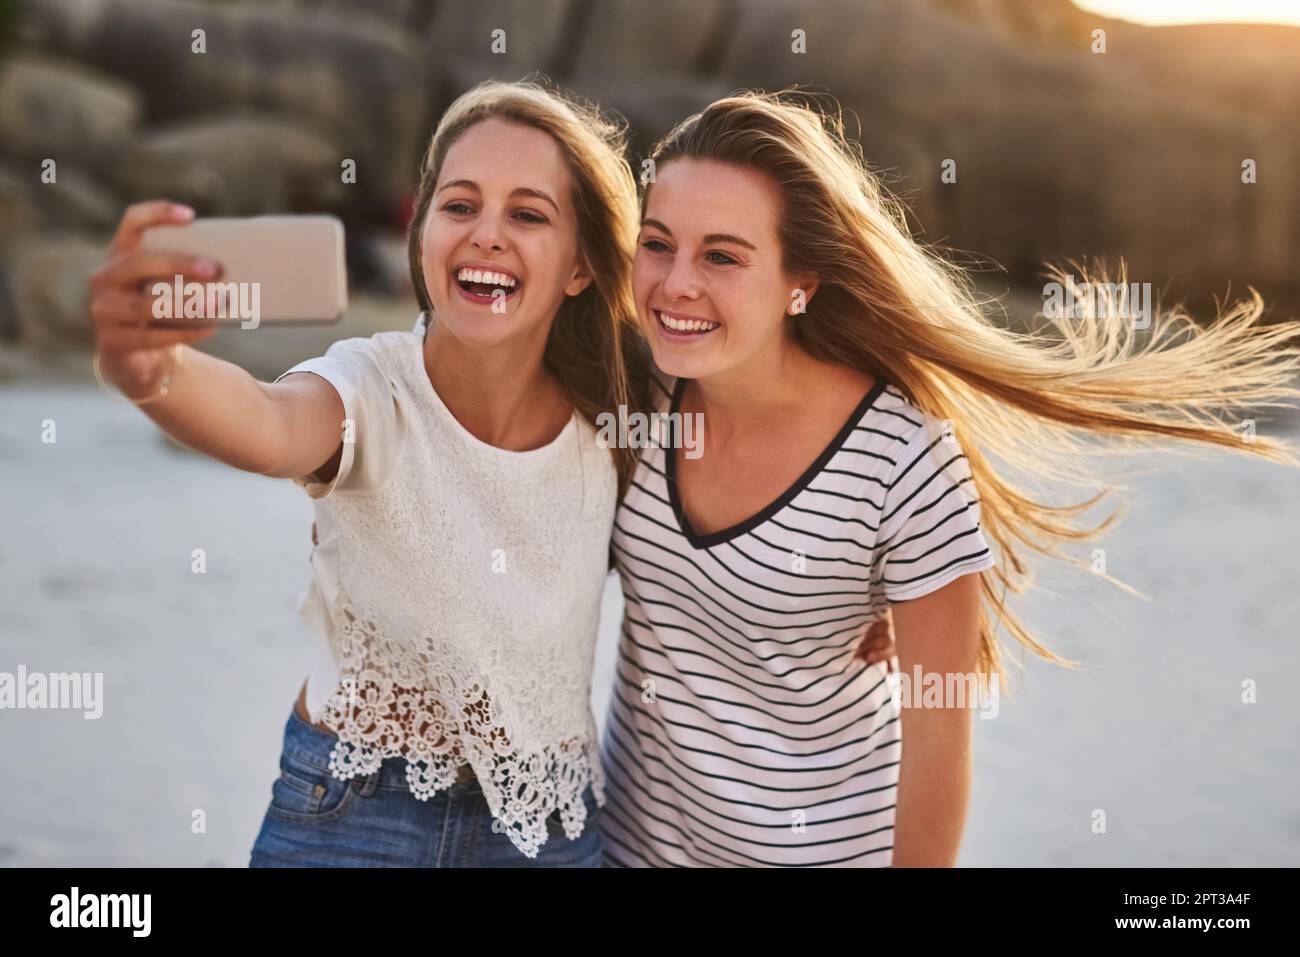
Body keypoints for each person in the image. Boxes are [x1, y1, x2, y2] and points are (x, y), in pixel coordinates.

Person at [598, 91, 1300, 867]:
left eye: (723, 256)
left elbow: (938, 738)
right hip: (627, 851)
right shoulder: (634, 388)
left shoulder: (902, 454)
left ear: (802, 282)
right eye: (657, 243)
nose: (675, 284)